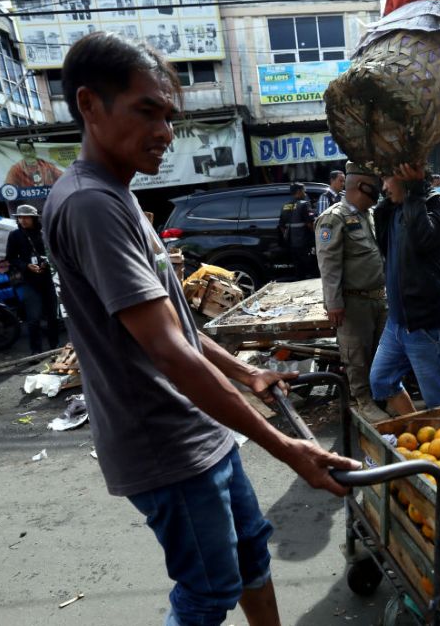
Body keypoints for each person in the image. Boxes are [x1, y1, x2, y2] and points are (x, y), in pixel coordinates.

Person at [41, 32, 356, 626]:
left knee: (250, 557)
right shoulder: (90, 204)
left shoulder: (121, 195)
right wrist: (287, 447)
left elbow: (177, 324)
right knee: (208, 592)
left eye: (168, 116)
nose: (164, 131)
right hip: (165, 444)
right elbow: (169, 353)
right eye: (145, 111)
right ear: (88, 105)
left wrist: (245, 372)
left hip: (198, 432)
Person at [370, 162, 440, 416]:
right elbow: (384, 245)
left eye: (387, 179)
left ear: (406, 178)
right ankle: (420, 431)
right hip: (396, 323)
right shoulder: (395, 209)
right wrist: (398, 196)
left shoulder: (437, 204)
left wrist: (415, 191)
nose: (384, 187)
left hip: (426, 326)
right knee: (381, 381)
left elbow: (424, 241)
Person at [315, 162, 389, 422]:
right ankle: (364, 401)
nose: (379, 192)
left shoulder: (366, 215)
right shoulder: (333, 217)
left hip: (378, 297)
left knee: (381, 353)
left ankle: (383, 397)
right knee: (356, 355)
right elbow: (329, 264)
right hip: (352, 301)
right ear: (361, 186)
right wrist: (333, 303)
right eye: (375, 188)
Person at [6, 204, 61, 353]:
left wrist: (46, 262)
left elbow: (55, 252)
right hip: (29, 281)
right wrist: (26, 266)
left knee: (52, 316)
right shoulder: (15, 235)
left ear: (34, 218)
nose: (23, 220)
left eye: (26, 217)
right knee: (33, 318)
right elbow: (11, 258)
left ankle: (54, 346)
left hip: (49, 279)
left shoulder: (45, 233)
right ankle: (35, 351)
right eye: (20, 217)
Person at [278, 183, 316, 280]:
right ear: (299, 192)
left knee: (299, 272)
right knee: (312, 272)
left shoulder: (285, 206)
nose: (305, 193)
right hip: (305, 244)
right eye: (304, 190)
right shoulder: (304, 204)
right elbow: (310, 225)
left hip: (292, 244)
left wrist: (288, 237)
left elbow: (282, 226)